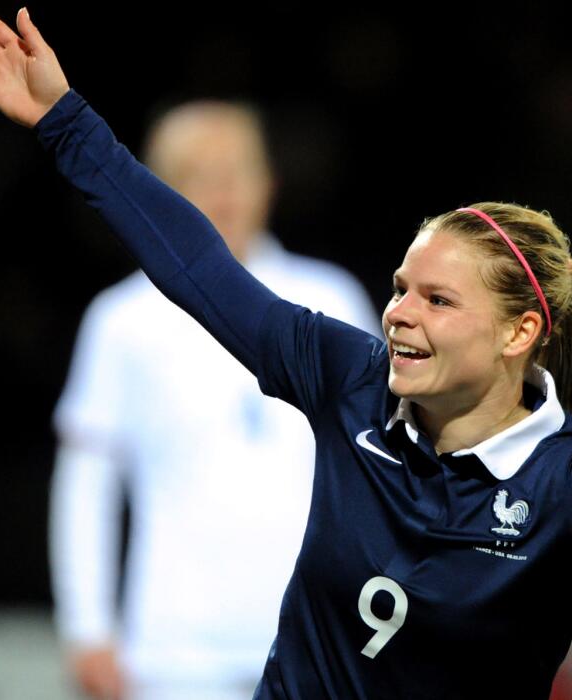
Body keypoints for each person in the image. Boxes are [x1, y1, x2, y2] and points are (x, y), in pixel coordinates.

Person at [0, 6, 572, 697]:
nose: (399, 315)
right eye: (400, 288)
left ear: (519, 333)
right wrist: (68, 124)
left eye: (437, 300)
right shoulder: (350, 381)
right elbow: (202, 271)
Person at [49, 97, 381, 698]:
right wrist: (86, 626)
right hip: (174, 653)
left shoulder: (333, 299)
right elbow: (87, 481)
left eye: (239, 171)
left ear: (271, 181)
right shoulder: (122, 320)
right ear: (157, 189)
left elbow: (380, 468)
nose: (224, 191)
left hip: (320, 637)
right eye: (200, 175)